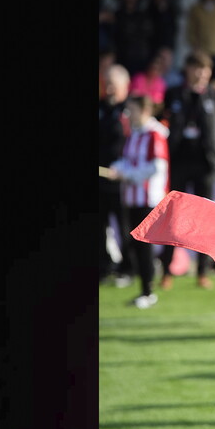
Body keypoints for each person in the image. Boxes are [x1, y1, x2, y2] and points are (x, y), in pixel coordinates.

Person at [158, 50, 215, 290]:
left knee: (204, 219)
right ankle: (166, 271)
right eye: (197, 68)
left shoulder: (213, 95)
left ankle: (202, 271)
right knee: (173, 217)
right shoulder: (174, 94)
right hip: (178, 162)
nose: (202, 73)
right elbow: (160, 119)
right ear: (188, 70)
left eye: (206, 69)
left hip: (204, 163)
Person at [106, 95, 170, 309]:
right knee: (134, 244)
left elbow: (157, 168)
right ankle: (144, 288)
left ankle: (148, 291)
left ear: (143, 110)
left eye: (131, 110)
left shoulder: (155, 134)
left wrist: (129, 174)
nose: (127, 115)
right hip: (132, 197)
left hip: (149, 199)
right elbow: (127, 160)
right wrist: (118, 169)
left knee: (144, 247)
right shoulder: (133, 134)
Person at [99, 63, 135, 286]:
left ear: (125, 86)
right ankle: (104, 266)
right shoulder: (101, 108)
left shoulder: (130, 110)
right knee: (100, 226)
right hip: (100, 178)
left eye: (113, 85)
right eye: (107, 84)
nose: (110, 89)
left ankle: (129, 268)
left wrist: (123, 168)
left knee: (124, 227)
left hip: (122, 179)